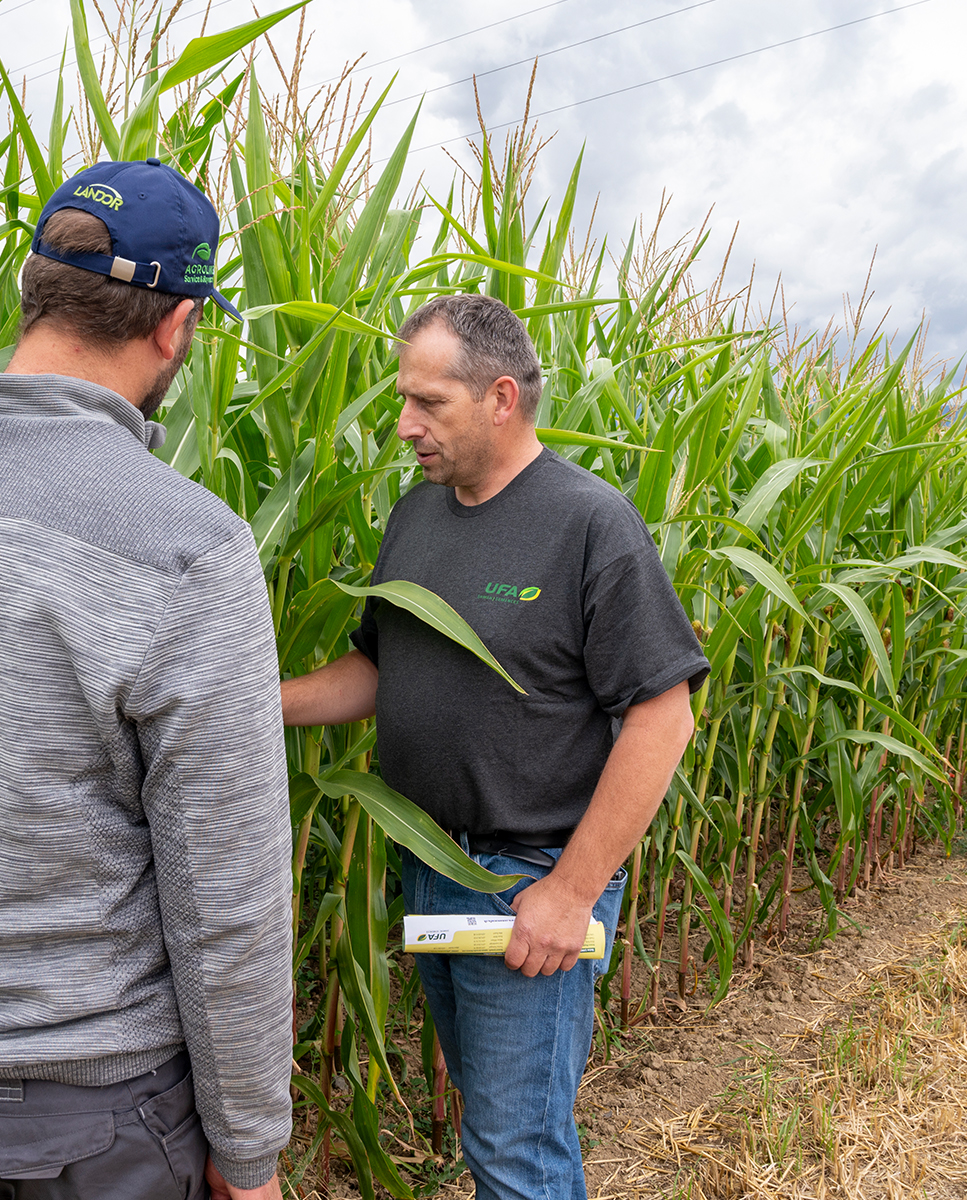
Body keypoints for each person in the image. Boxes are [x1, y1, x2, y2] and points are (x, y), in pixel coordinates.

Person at [0, 160, 292, 1200]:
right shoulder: (183, 546)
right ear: (175, 328)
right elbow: (227, 895)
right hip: (95, 1118)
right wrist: (249, 1150)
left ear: (31, 286)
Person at [281, 294, 708, 1200]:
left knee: (517, 1151)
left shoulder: (589, 524)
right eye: (404, 401)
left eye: (428, 404)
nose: (404, 426)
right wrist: (258, 702)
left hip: (530, 880)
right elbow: (378, 669)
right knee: (493, 1126)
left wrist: (572, 891)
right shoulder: (418, 518)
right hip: (433, 863)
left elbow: (663, 716)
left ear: (501, 398)